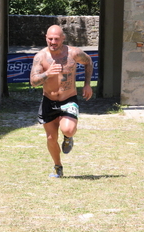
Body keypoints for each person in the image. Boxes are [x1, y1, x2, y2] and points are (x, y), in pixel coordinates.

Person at [30, 25, 93, 178]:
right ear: (46, 38)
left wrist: (87, 84)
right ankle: (58, 166)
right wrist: (47, 73)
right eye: (50, 39)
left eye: (56, 39)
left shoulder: (74, 53)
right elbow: (33, 81)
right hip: (48, 101)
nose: (53, 42)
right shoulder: (40, 57)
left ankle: (68, 137)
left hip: (68, 99)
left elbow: (89, 62)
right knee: (51, 138)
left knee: (68, 129)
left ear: (63, 39)